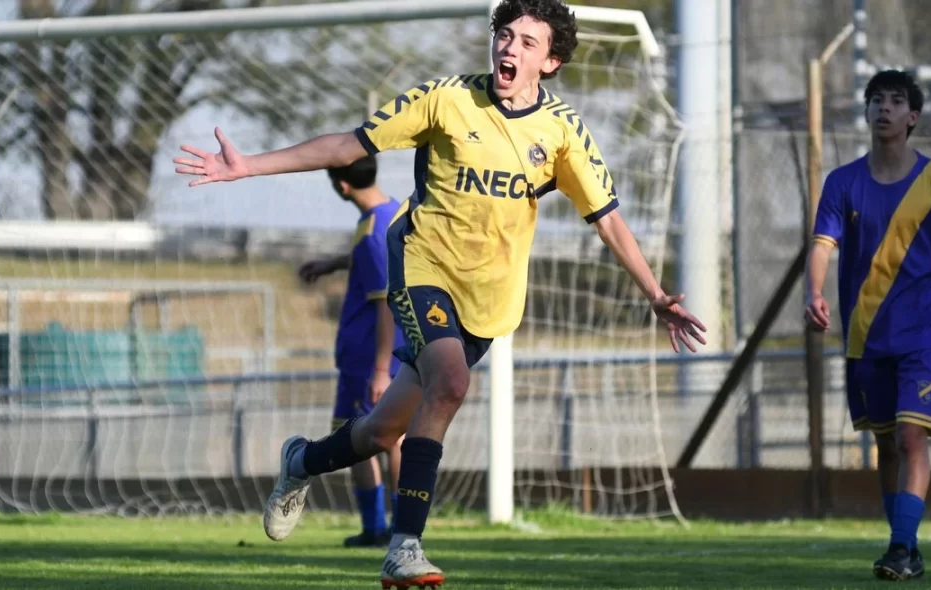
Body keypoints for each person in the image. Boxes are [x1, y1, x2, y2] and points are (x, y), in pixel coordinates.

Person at [172, 0, 707, 586]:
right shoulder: (445, 98)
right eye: (505, 35)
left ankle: (301, 460)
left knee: (382, 431)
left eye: (528, 42)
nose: (510, 48)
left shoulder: (562, 131)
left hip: (489, 301)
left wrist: (655, 293)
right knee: (451, 382)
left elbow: (609, 221)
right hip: (421, 264)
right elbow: (350, 146)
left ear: (550, 62)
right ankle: (404, 546)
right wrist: (248, 166)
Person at [804, 69, 931, 582]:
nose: (884, 107)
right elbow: (822, 245)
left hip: (926, 334)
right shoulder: (842, 183)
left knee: (911, 437)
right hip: (865, 335)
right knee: (885, 444)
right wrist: (814, 292)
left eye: (896, 100)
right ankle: (905, 545)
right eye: (876, 99)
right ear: (867, 112)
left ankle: (901, 547)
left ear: (913, 117)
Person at [297, 155, 405, 547]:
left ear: (341, 185)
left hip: (370, 356)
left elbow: (385, 302)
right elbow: (373, 260)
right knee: (364, 434)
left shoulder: (374, 231)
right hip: (373, 355)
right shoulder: (390, 212)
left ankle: (395, 528)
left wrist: (380, 370)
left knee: (379, 438)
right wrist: (335, 263)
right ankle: (382, 528)